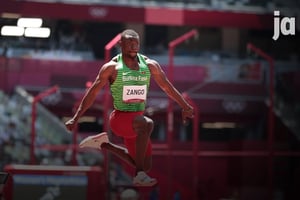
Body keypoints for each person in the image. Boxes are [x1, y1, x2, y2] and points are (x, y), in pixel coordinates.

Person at [65, 29, 194, 186]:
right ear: (121, 44)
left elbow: (167, 87)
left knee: (144, 163)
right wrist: (76, 118)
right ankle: (139, 175)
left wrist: (185, 106)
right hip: (120, 119)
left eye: (136, 43)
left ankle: (104, 144)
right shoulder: (111, 68)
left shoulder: (150, 65)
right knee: (148, 123)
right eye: (130, 43)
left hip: (137, 122)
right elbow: (91, 94)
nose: (134, 46)